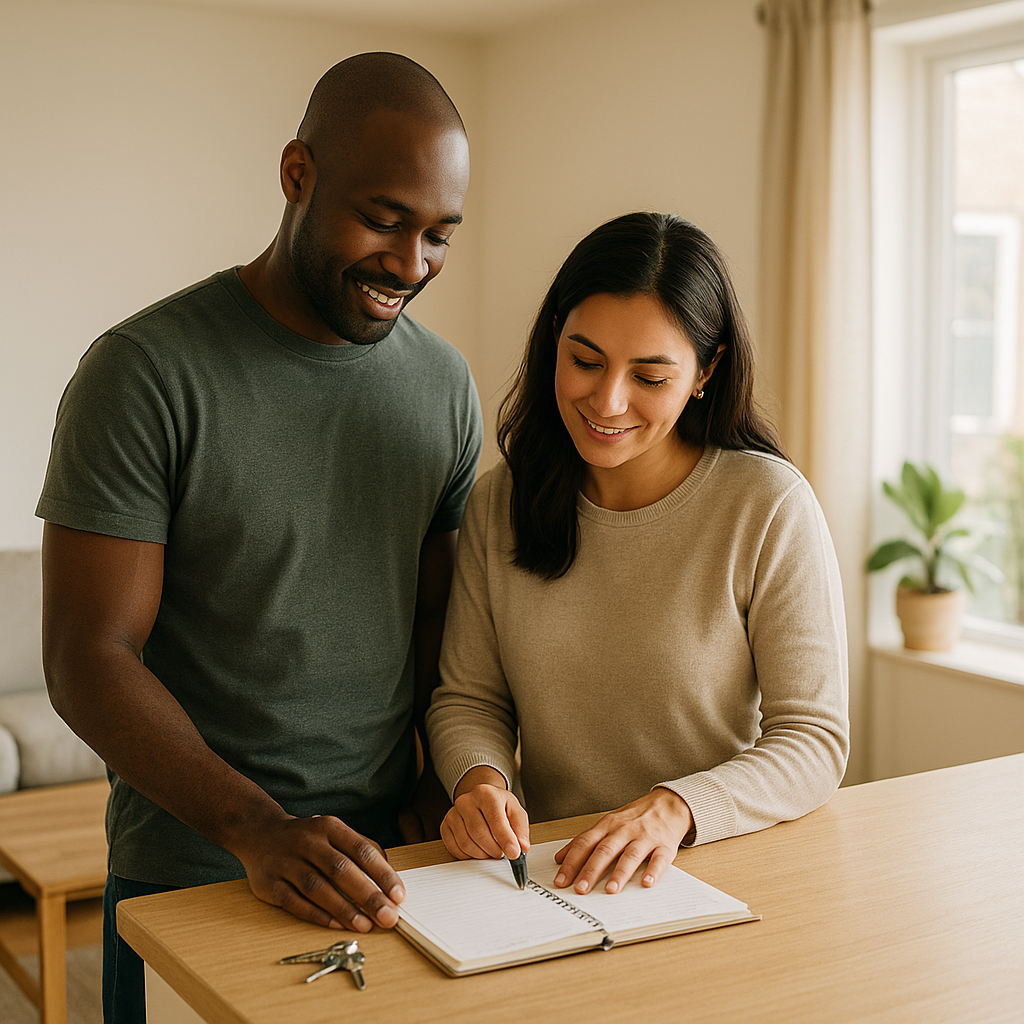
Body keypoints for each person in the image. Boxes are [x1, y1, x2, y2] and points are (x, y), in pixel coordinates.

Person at [36, 52, 481, 1022]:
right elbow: (86, 659)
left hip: (386, 873)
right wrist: (261, 828)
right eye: (384, 218)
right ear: (296, 175)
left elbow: (441, 614)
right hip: (194, 866)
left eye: (439, 234)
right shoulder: (143, 373)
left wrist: (437, 775)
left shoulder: (445, 388)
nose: (411, 265)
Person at [426, 211, 849, 899]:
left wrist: (674, 809)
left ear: (705, 372)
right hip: (555, 878)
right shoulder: (500, 503)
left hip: (716, 870)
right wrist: (481, 782)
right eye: (584, 360)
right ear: (552, 343)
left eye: (650, 377)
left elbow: (814, 741)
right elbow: (469, 698)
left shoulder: (767, 504)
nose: (608, 400)